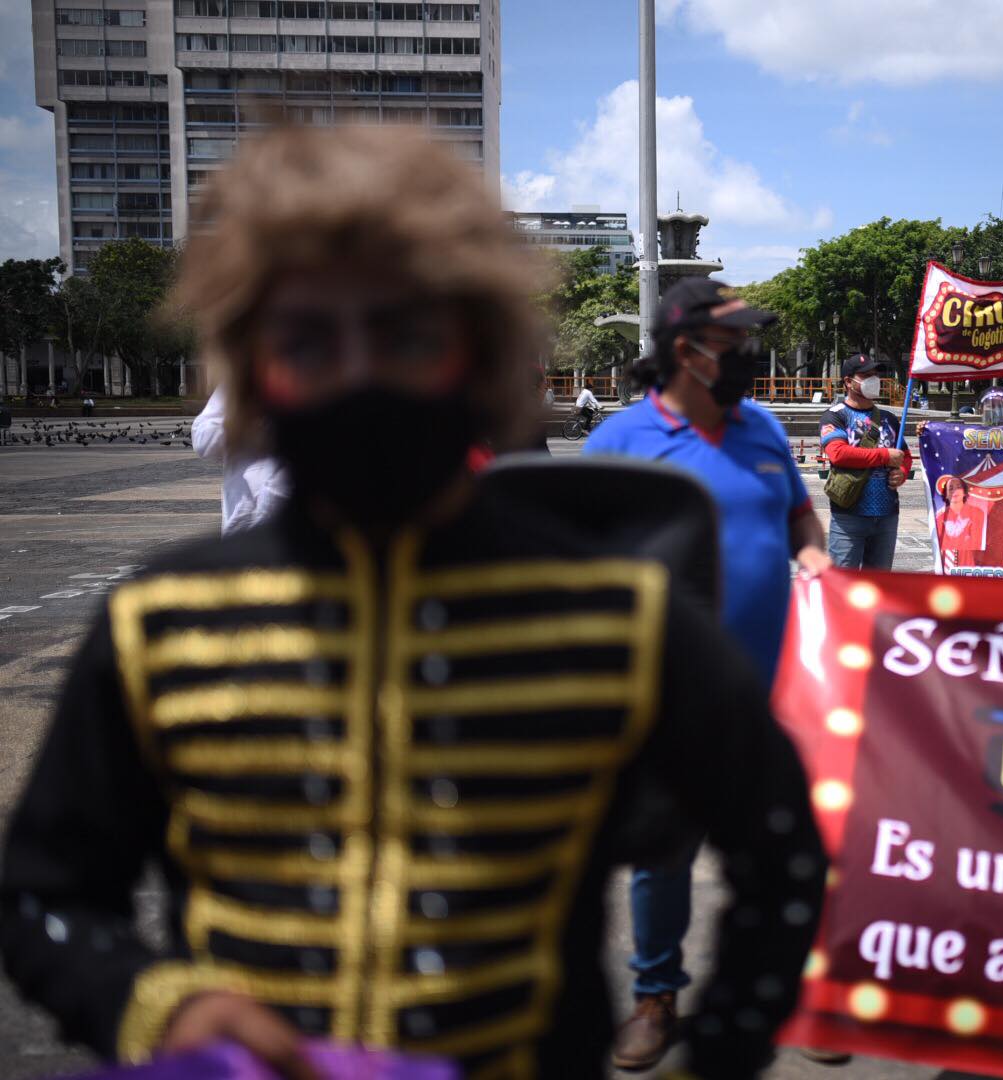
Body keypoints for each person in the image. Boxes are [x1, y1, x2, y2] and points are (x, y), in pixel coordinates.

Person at [0, 125, 824, 1080]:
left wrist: (717, 1054)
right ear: (251, 365)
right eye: (307, 341)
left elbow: (783, 858)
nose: (360, 377)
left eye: (406, 336)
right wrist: (151, 1006)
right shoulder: (161, 627)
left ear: (479, 357)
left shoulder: (617, 623)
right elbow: (42, 896)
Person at [583, 275, 831, 1071]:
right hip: (669, 701)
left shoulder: (761, 429)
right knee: (664, 857)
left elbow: (798, 512)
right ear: (688, 352)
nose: (750, 356)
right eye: (736, 342)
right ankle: (656, 997)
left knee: (791, 851)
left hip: (780, 691)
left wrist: (816, 554)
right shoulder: (618, 444)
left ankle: (799, 999)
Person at [819, 353, 910, 571]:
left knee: (879, 586)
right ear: (848, 382)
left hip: (887, 514)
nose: (874, 380)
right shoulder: (835, 416)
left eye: (876, 375)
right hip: (849, 515)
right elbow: (839, 453)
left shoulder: (888, 418)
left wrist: (903, 473)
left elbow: (904, 454)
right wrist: (884, 456)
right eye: (866, 375)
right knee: (842, 582)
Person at [191, 386, 290, 534]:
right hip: (241, 521)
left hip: (291, 527)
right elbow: (202, 440)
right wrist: (237, 426)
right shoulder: (238, 385)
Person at [935, 474, 987, 569]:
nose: (955, 490)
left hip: (970, 561)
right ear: (946, 495)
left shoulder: (977, 513)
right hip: (947, 562)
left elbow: (975, 540)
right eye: (951, 488)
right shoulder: (940, 517)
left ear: (964, 492)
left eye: (958, 487)